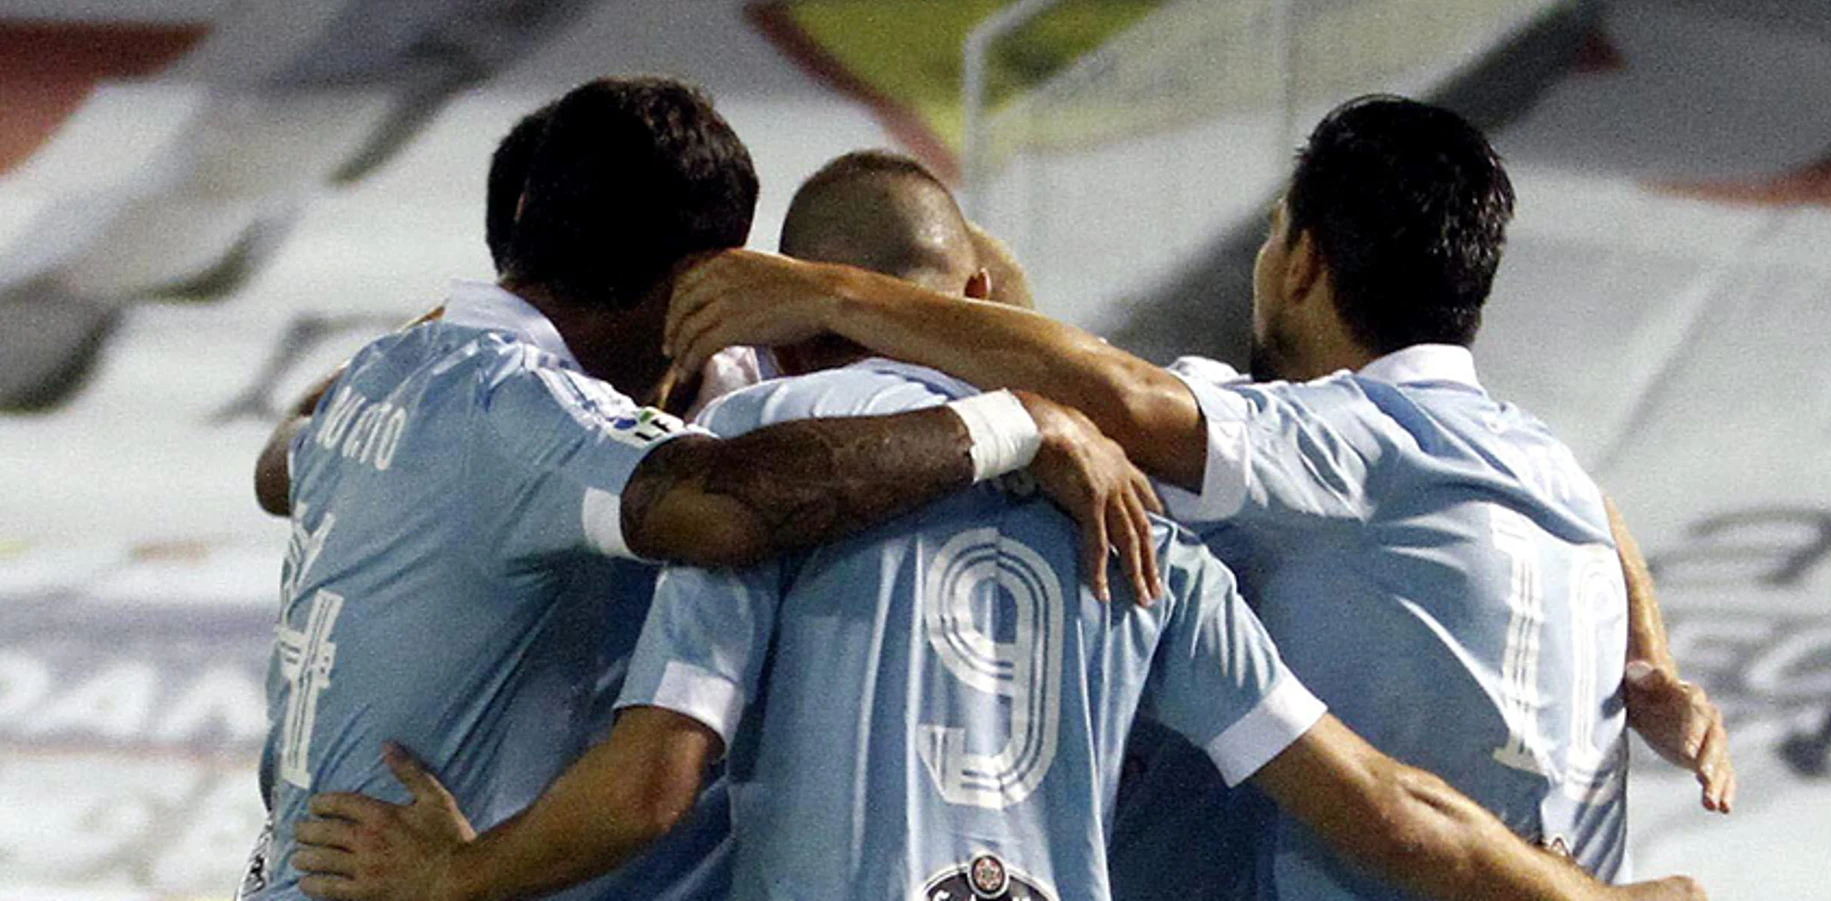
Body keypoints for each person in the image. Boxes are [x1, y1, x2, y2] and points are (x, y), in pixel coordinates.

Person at [291, 149, 1705, 901]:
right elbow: (1385, 805)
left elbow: (655, 781)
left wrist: (460, 876)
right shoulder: (1147, 522)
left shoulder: (755, 460)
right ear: (975, 292)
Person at [658, 100, 1736, 894]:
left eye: (1271, 237)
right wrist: (1655, 661)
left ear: (1304, 262)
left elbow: (1122, 393)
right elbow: (1600, 511)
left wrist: (830, 290)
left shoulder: (1324, 444)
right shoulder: (1531, 456)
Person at [240, 80, 1161, 901]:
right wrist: (1018, 423)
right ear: (701, 278)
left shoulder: (390, 372)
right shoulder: (530, 415)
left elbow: (278, 465)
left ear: (528, 213)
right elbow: (723, 508)